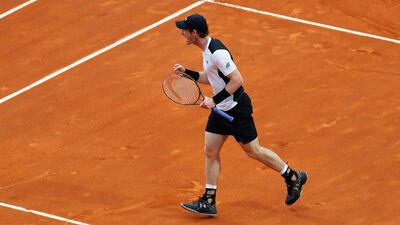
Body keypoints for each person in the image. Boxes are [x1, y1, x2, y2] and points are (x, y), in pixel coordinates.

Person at [173, 13, 308, 217]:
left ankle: (292, 176)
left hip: (237, 109)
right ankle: (209, 200)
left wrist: (214, 101)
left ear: (194, 33)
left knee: (253, 151)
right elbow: (210, 77)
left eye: (185, 30)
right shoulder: (206, 50)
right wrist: (188, 72)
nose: (182, 32)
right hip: (221, 111)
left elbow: (236, 79)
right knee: (210, 150)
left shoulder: (217, 52)